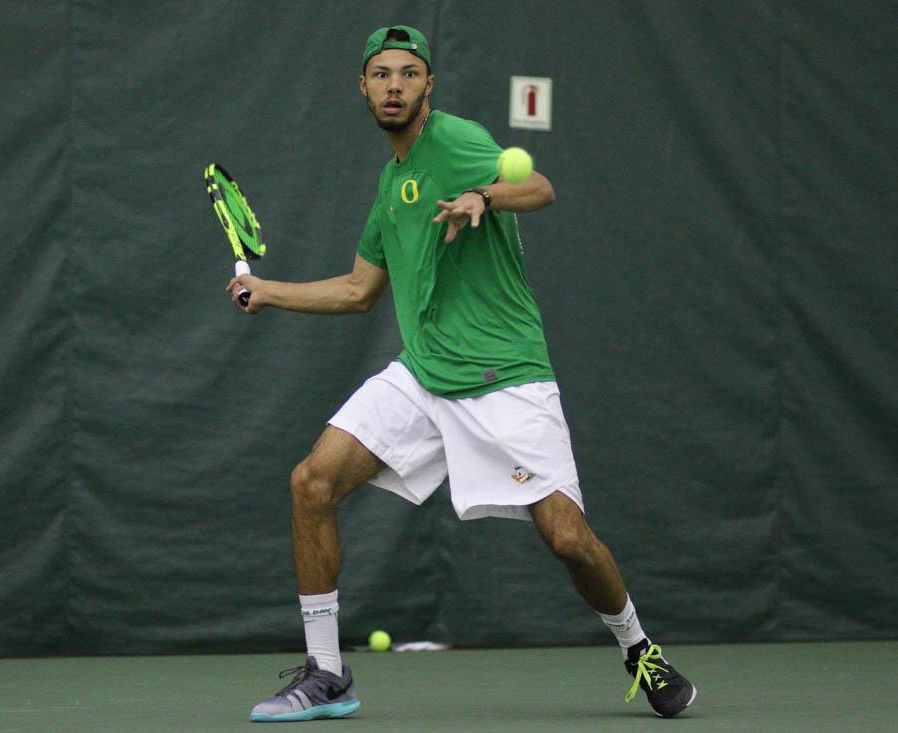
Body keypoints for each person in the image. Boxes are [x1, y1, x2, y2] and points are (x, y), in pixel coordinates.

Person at [228, 25, 696, 723]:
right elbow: (359, 291)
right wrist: (268, 291)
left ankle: (638, 647)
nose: (394, 85)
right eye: (381, 74)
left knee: (568, 538)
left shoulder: (455, 140)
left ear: (428, 86)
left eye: (408, 73)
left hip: (508, 375)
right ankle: (327, 672)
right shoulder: (389, 187)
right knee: (311, 480)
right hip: (424, 374)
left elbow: (537, 185)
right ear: (362, 86)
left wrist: (482, 195)